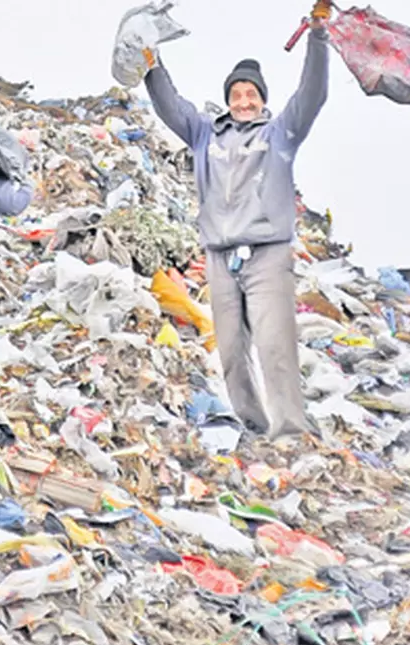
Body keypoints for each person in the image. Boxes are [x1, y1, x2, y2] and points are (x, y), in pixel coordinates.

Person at [143, 1, 331, 440]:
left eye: (251, 94)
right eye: (237, 94)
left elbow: (313, 92)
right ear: (228, 99)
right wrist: (151, 60)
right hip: (219, 255)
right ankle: (253, 426)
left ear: (262, 99)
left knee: (274, 346)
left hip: (267, 254)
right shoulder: (205, 133)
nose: (244, 101)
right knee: (230, 352)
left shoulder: (280, 133)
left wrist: (318, 36)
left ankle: (289, 431)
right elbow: (170, 104)